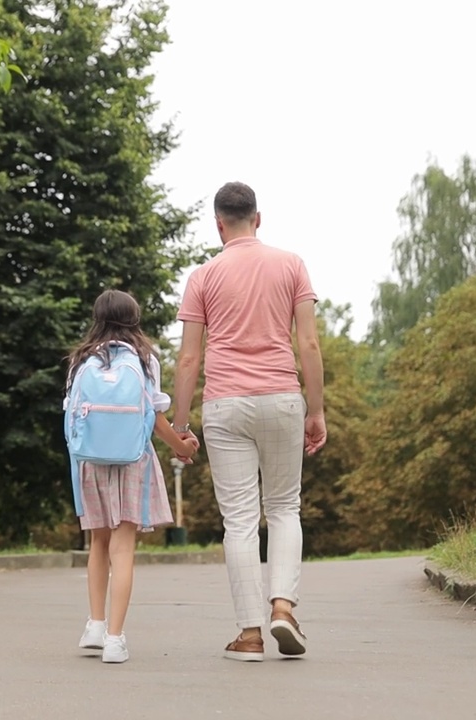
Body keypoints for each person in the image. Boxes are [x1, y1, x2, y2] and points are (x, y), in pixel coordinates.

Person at [169, 182, 327, 662]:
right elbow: (309, 345)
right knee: (284, 508)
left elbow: (189, 358)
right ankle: (283, 606)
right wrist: (316, 409)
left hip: (225, 405)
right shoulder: (291, 264)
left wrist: (179, 425)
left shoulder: (203, 276)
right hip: (281, 397)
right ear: (258, 218)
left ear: (219, 225)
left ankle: (251, 634)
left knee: (238, 520)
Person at [66, 289, 200, 664]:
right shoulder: (145, 359)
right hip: (132, 459)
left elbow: (72, 415)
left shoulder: (80, 360)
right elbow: (155, 417)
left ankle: (94, 624)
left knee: (97, 543)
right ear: (134, 318)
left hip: (90, 461)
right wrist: (182, 447)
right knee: (123, 547)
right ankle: (114, 639)